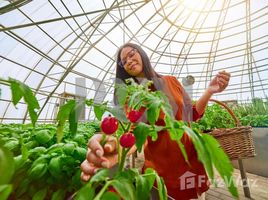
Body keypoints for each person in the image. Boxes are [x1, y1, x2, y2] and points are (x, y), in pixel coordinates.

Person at [80, 43, 231, 200]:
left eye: (131, 54)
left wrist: (209, 91)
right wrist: (116, 147)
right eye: (124, 61)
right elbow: (138, 132)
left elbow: (192, 114)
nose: (129, 61)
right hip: (163, 168)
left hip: (192, 159)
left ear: (142, 54)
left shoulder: (171, 81)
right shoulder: (133, 97)